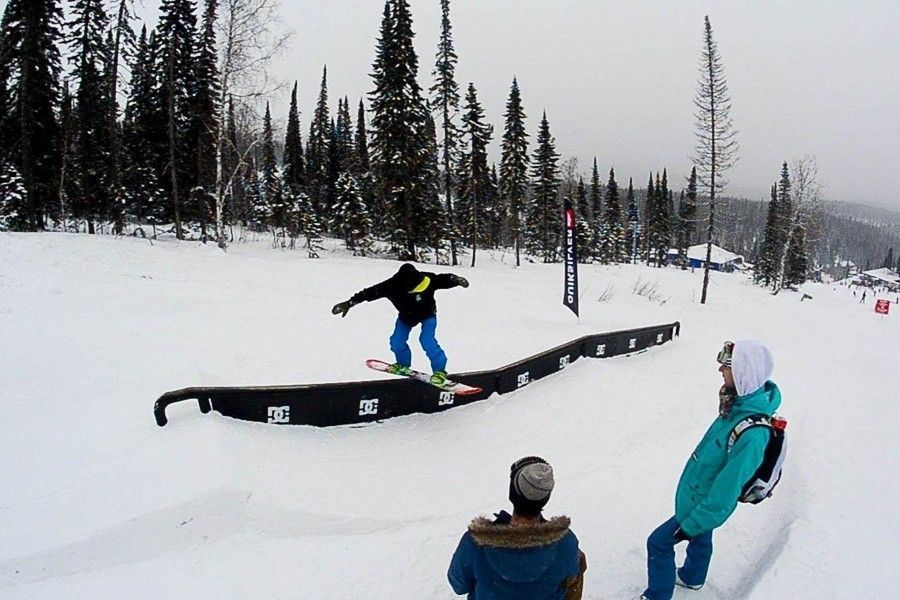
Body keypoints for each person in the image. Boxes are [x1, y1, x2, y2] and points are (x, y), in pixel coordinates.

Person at [638, 340, 781, 600]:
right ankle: (693, 576)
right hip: (700, 493)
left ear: (742, 372)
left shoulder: (752, 433)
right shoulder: (737, 404)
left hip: (703, 500)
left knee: (658, 542)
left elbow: (725, 493)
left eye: (726, 366)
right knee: (702, 531)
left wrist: (691, 523)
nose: (720, 370)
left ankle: (656, 595)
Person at [448, 456, 587, 599]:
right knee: (579, 561)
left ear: (512, 493)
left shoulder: (476, 543)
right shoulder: (564, 543)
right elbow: (571, 578)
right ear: (545, 498)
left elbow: (458, 585)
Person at [331, 263, 468, 386]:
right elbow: (368, 293)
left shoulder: (427, 278)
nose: (419, 290)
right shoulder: (390, 286)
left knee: (427, 340)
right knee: (396, 341)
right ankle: (403, 364)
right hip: (406, 317)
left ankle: (440, 371)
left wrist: (456, 279)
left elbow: (444, 279)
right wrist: (349, 303)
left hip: (428, 315)